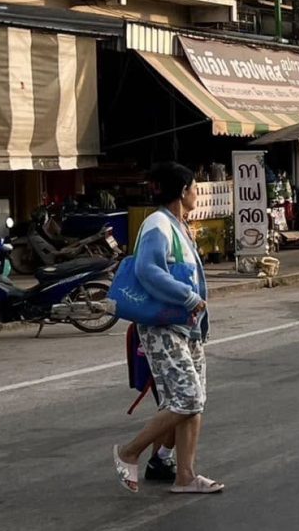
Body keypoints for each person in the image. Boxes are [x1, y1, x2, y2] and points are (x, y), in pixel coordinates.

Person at [113, 162, 223, 495]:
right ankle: (129, 452)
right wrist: (188, 298)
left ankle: (185, 476)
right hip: (163, 327)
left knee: (194, 400)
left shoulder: (177, 225)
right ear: (182, 191)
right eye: (194, 188)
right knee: (188, 398)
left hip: (187, 329)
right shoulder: (158, 224)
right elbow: (148, 270)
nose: (196, 194)